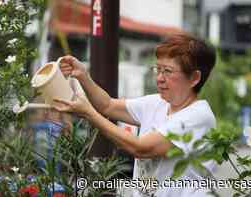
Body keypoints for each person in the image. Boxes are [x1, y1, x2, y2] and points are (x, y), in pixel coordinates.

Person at [53, 33, 217, 197]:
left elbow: (141, 148)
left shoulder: (198, 116)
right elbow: (108, 105)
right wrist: (83, 76)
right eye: (157, 69)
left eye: (167, 71)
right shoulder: (157, 102)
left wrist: (89, 114)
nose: (159, 78)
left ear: (194, 78)